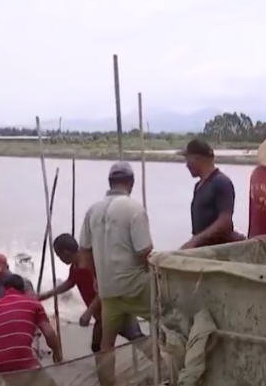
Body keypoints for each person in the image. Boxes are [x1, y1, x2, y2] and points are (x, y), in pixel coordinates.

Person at [78, 162, 155, 385]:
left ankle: (107, 383)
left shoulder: (92, 210)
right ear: (131, 183)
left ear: (110, 183)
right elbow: (145, 253)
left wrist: (96, 277)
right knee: (166, 322)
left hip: (108, 290)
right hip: (136, 286)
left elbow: (84, 253)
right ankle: (171, 371)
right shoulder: (134, 209)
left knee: (106, 344)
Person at [42, 233, 145, 353]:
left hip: (117, 311)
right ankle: (105, 372)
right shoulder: (75, 267)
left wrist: (88, 312)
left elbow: (104, 288)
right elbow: (70, 282)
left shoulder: (92, 263)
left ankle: (164, 365)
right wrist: (45, 295)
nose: (60, 259)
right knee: (98, 347)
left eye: (59, 256)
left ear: (66, 253)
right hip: (101, 316)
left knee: (138, 340)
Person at [0, 274, 63, 372]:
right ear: (24, 289)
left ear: (4, 290)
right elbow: (49, 333)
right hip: (22, 359)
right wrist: (57, 353)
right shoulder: (33, 304)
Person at [177, 138, 244, 249]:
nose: (186, 165)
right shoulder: (198, 186)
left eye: (187, 160)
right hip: (203, 247)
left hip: (219, 249)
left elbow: (225, 221)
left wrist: (195, 240)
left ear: (197, 159)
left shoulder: (222, 182)